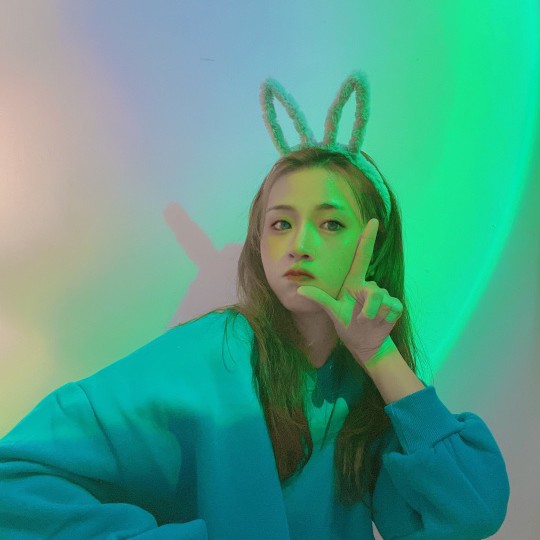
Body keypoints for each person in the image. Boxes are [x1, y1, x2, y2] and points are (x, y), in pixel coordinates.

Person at [0, 72, 509, 539]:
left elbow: (471, 511)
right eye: (281, 223)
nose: (299, 244)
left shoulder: (364, 384)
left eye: (330, 224)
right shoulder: (211, 357)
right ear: (259, 243)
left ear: (372, 247)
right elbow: (15, 478)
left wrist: (379, 357)